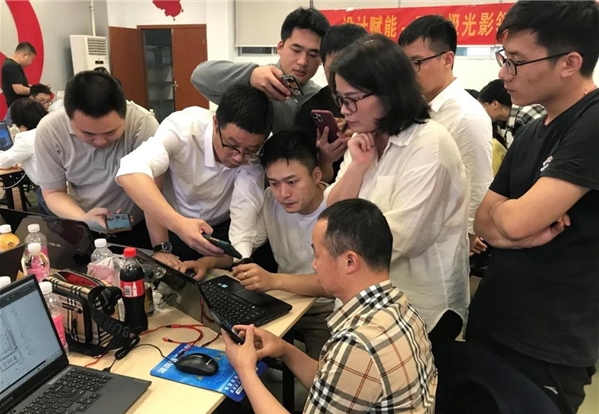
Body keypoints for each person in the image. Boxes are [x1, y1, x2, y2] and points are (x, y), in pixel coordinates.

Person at [467, 0, 599, 414]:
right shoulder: (531, 132)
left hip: (548, 345)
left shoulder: (592, 122)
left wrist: (511, 222)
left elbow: (512, 221)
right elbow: (483, 219)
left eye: (517, 61)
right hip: (493, 321)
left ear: (570, 63)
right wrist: (516, 227)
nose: (505, 73)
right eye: (504, 58)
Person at [223, 198, 437, 414]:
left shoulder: (357, 345)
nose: (314, 264)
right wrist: (285, 350)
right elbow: (338, 385)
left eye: (317, 254)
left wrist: (245, 370)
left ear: (349, 262)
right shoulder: (400, 307)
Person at [325, 34, 469, 345]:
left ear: (389, 93)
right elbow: (330, 213)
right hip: (365, 302)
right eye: (340, 99)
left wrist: (331, 251)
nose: (345, 110)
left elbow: (399, 239)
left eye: (352, 99)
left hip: (419, 307)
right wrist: (358, 166)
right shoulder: (363, 139)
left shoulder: (429, 143)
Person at [181, 130, 334, 358]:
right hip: (282, 302)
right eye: (274, 183)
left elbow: (334, 284)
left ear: (316, 174)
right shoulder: (271, 200)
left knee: (320, 374)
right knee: (214, 341)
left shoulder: (336, 206)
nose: (284, 193)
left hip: (324, 311)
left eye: (292, 182)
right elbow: (243, 248)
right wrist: (207, 262)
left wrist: (273, 280)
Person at [116, 84, 272, 264]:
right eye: (232, 145)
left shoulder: (255, 151)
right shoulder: (183, 130)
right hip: (174, 225)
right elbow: (130, 171)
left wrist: (241, 260)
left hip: (221, 230)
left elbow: (245, 208)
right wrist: (176, 228)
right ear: (215, 123)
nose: (238, 157)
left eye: (250, 150)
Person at [399, 16, 493, 257]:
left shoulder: (467, 116)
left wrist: (467, 241)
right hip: (413, 235)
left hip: (445, 246)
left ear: (447, 59)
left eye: (417, 62)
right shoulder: (418, 107)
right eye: (404, 64)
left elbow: (478, 187)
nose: (409, 73)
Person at [34, 70, 158, 248]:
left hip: (141, 226)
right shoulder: (51, 129)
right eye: (88, 134)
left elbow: (155, 192)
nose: (100, 142)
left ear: (124, 114)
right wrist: (84, 219)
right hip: (81, 224)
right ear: (69, 118)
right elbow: (53, 192)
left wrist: (161, 248)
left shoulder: (142, 124)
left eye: (111, 132)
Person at [192, 7, 329, 134]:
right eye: (296, 50)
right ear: (280, 47)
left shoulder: (320, 97)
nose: (303, 62)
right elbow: (199, 76)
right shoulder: (257, 81)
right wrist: (251, 75)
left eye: (313, 54)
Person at [293, 24, 368, 182]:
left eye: (349, 69)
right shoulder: (310, 110)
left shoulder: (377, 104)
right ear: (323, 63)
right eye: (333, 69)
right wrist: (325, 159)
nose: (340, 77)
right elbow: (305, 181)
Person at [0, 98, 52, 215]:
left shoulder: (26, 138)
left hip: (47, 188)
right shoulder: (51, 129)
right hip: (64, 183)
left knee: (54, 221)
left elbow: (4, 161)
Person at [477, 79, 511, 175]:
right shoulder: (508, 124)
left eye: (481, 107)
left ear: (495, 104)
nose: (477, 113)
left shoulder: (525, 120)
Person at [1, 42, 36, 109]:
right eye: (31, 59)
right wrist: (37, 91)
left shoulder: (12, 65)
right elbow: (19, 89)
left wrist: (36, 87)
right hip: (18, 109)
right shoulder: (11, 66)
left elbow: (21, 84)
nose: (30, 63)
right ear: (25, 55)